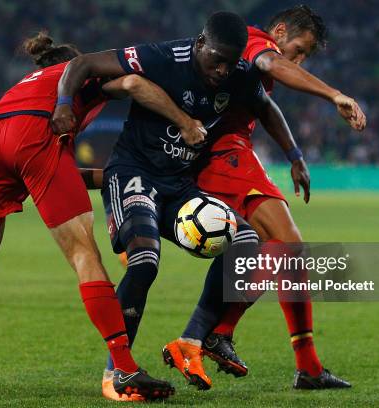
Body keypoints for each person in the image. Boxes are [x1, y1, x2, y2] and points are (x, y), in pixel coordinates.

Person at [0, 31, 207, 399]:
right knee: (83, 253)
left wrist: (121, 174)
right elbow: (134, 82)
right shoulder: (79, 78)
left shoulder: (26, 82)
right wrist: (184, 121)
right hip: (33, 133)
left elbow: (48, 168)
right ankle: (123, 366)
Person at [52, 11, 312, 401]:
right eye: (217, 60)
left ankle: (195, 339)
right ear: (200, 44)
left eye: (230, 62)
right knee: (144, 263)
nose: (223, 70)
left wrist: (294, 155)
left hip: (178, 185)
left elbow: (266, 108)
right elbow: (83, 63)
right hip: (133, 173)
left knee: (246, 243)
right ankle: (117, 373)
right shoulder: (162, 57)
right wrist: (63, 103)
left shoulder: (238, 74)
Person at [169, 5, 365, 390]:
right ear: (278, 31)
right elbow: (272, 66)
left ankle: (235, 339)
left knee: (272, 249)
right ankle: (226, 336)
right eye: (299, 49)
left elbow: (266, 106)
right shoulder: (254, 42)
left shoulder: (246, 57)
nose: (299, 59)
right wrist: (334, 94)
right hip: (225, 155)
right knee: (290, 246)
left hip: (226, 154)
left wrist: (295, 156)